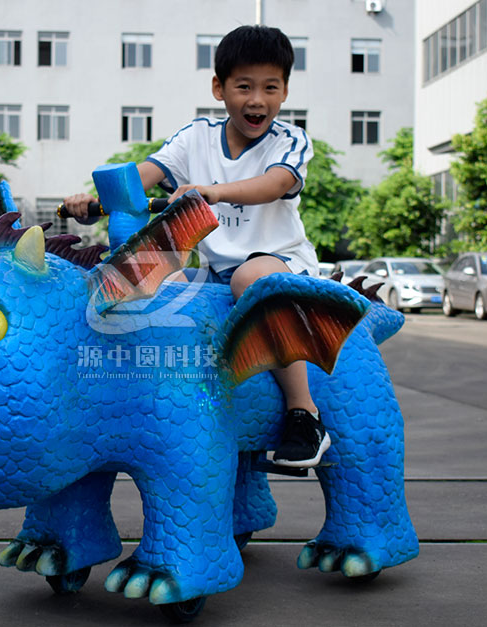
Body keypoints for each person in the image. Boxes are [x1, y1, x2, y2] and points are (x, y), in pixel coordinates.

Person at [62, 25, 328, 468]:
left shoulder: (291, 141)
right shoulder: (196, 136)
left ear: (284, 93)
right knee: (152, 284)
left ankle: (305, 413)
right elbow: (140, 177)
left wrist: (216, 192)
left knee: (250, 276)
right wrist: (91, 204)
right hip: (213, 270)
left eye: (270, 88)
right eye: (244, 87)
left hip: (278, 262)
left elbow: (276, 183)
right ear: (218, 88)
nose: (257, 99)